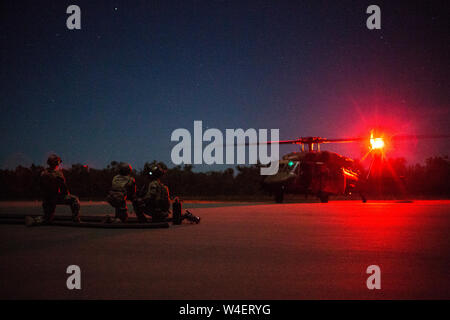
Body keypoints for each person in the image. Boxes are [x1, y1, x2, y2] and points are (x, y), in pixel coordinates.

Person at [40, 154, 81, 223]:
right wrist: (66, 194)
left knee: (47, 218)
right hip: (56, 197)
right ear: (55, 163)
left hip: (46, 199)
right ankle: (75, 218)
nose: (59, 163)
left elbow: (40, 186)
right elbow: (63, 187)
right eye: (58, 162)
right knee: (74, 199)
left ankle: (40, 219)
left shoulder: (43, 173)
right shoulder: (58, 174)